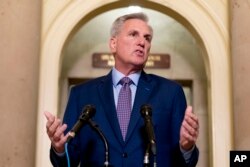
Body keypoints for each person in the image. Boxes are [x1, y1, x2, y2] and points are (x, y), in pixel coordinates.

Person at [45, 12, 199, 167]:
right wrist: (59, 148)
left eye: (147, 38)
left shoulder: (170, 93)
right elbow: (67, 161)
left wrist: (186, 147)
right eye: (133, 34)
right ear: (113, 43)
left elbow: (183, 162)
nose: (142, 42)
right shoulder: (81, 95)